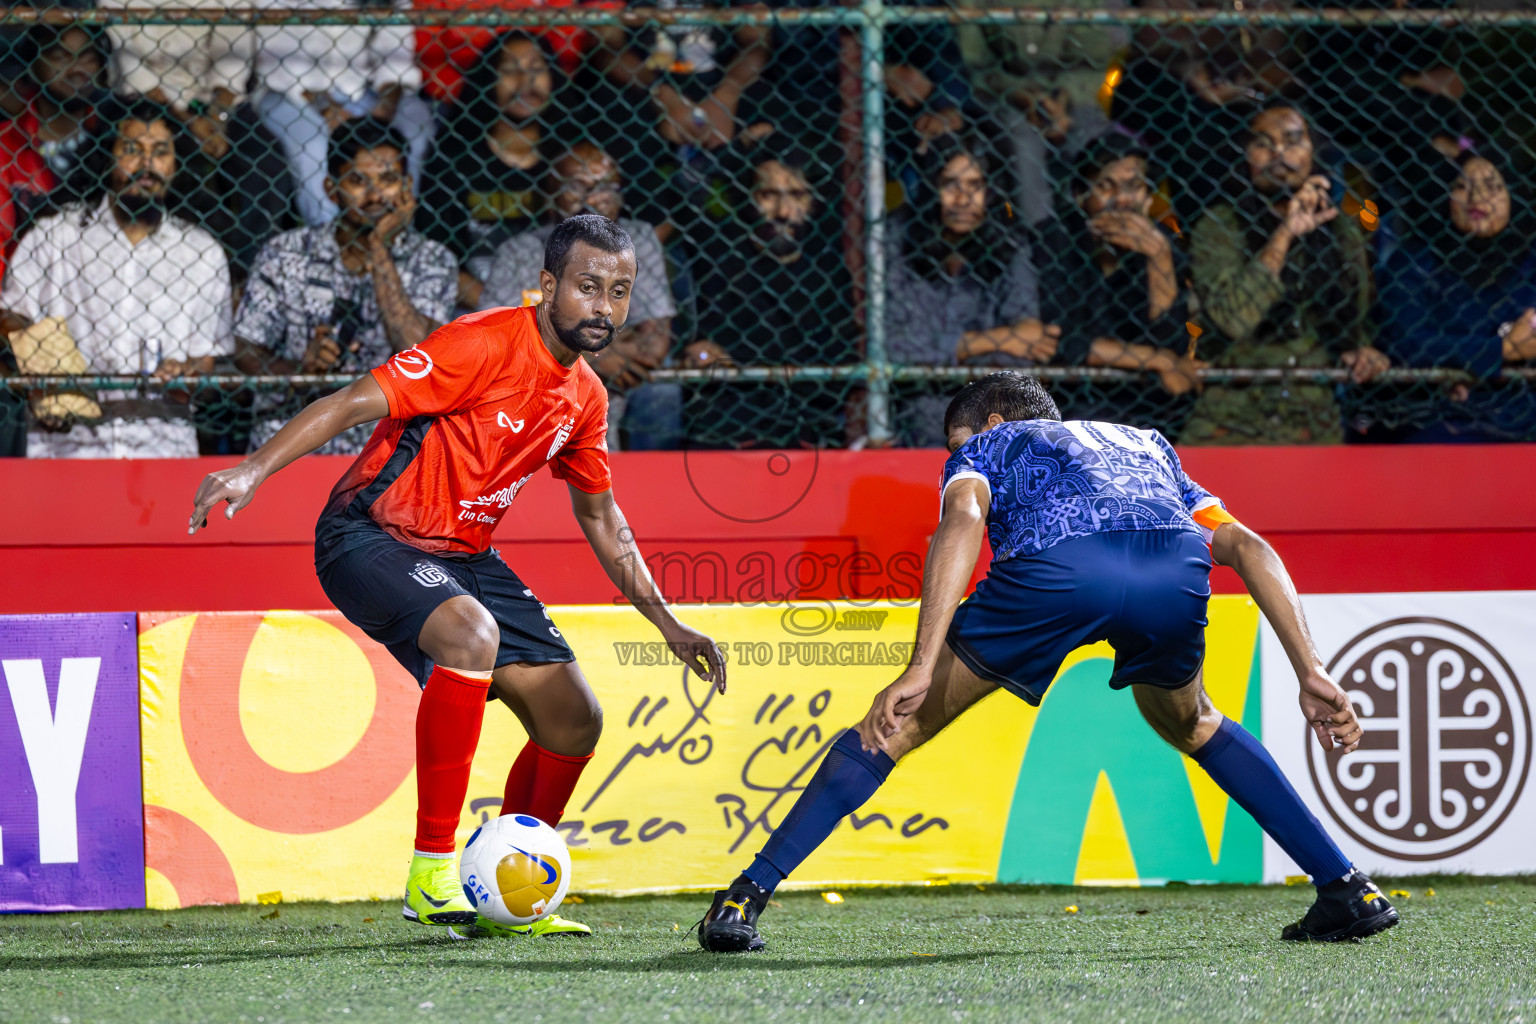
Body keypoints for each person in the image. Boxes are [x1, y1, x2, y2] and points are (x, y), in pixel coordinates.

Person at [695, 371, 1400, 952]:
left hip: (1058, 569)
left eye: (956, 440)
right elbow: (1247, 546)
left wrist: (920, 663)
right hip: (1172, 568)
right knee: (1193, 721)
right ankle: (1346, 888)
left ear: (992, 420)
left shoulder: (988, 446)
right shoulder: (1145, 443)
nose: (955, 452)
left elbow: (963, 522)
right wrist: (1312, 667)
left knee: (893, 729)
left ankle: (744, 897)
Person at [189, 214, 727, 939]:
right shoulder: (480, 343)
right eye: (588, 287)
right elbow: (352, 401)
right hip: (366, 534)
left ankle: (509, 887)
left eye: (620, 292)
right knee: (471, 634)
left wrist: (668, 622)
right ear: (547, 287)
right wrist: (255, 467)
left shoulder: (586, 398)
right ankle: (431, 872)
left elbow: (602, 518)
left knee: (575, 720)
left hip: (463, 554)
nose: (603, 307)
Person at [0, 100, 233, 458]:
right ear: (106, 156)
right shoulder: (56, 236)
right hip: (68, 445)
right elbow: (8, 314)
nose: (146, 164)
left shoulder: (201, 252)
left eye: (160, 152)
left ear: (176, 163)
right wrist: (45, 365)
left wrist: (187, 373)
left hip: (160, 447)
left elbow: (205, 358)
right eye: (131, 149)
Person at [235, 118, 456, 457]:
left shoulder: (434, 260)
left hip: (388, 452)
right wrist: (299, 370)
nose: (374, 195)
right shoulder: (285, 253)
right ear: (330, 188)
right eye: (357, 181)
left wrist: (379, 247)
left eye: (387, 180)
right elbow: (246, 348)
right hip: (292, 445)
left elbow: (415, 349)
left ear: (407, 185)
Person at [1183, 104, 1386, 445]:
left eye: (1292, 141)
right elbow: (1233, 318)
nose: (1279, 154)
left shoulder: (1341, 231)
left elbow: (1357, 322)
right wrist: (1285, 233)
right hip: (1231, 415)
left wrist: (1361, 350)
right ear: (1245, 156)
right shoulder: (1219, 225)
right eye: (1264, 143)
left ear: (1313, 153)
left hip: (1313, 416)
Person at [481, 142, 676, 447]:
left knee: (660, 392)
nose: (592, 199)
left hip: (605, 402)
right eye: (576, 187)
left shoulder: (638, 240)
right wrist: (598, 355)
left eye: (605, 187)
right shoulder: (520, 252)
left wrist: (559, 339)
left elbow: (653, 341)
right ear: (550, 195)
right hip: (529, 402)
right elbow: (500, 342)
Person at [885, 133, 1057, 447]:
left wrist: (944, 350)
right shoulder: (896, 241)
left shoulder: (1009, 244)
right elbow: (896, 347)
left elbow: (1027, 345)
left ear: (990, 191)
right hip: (910, 413)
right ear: (930, 188)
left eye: (974, 186)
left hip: (989, 418)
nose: (963, 199)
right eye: (950, 184)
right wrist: (989, 341)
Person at [685, 144, 856, 448]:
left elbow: (839, 360)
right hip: (731, 422)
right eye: (769, 195)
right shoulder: (718, 262)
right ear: (748, 199)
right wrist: (701, 356)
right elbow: (699, 351)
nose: (784, 212)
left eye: (797, 195)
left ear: (813, 202)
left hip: (810, 419)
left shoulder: (829, 271)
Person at [1360, 149, 1536, 442]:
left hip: (1522, 416)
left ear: (1515, 197)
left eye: (1492, 187)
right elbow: (1407, 344)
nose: (1476, 198)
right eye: (1462, 186)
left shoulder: (1530, 266)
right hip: (1434, 418)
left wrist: (1455, 356)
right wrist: (1503, 350)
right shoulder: (1416, 262)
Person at [1038, 133, 1202, 438]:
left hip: (1146, 410)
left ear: (1149, 197)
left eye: (1134, 187)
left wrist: (1158, 260)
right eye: (1106, 186)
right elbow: (1061, 341)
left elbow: (1171, 342)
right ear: (1080, 195)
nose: (1122, 200)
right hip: (1068, 407)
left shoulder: (1162, 247)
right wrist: (1156, 360)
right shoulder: (1053, 241)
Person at [248, 0, 436, 227]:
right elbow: (278, 60)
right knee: (312, 145)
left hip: (366, 90)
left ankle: (399, 231)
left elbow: (395, 47)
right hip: (290, 91)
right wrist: (326, 107)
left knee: (416, 130)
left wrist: (384, 108)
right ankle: (329, 235)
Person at [416, 30, 563, 311]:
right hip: (479, 308)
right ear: (488, 81)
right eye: (510, 70)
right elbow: (435, 256)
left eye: (536, 68)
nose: (526, 82)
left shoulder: (569, 157)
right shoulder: (454, 158)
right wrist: (506, 308)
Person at [0, 23, 112, 279]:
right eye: (60, 58)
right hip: (20, 292)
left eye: (88, 58)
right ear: (33, 66)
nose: (76, 70)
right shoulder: (6, 146)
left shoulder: (115, 139)